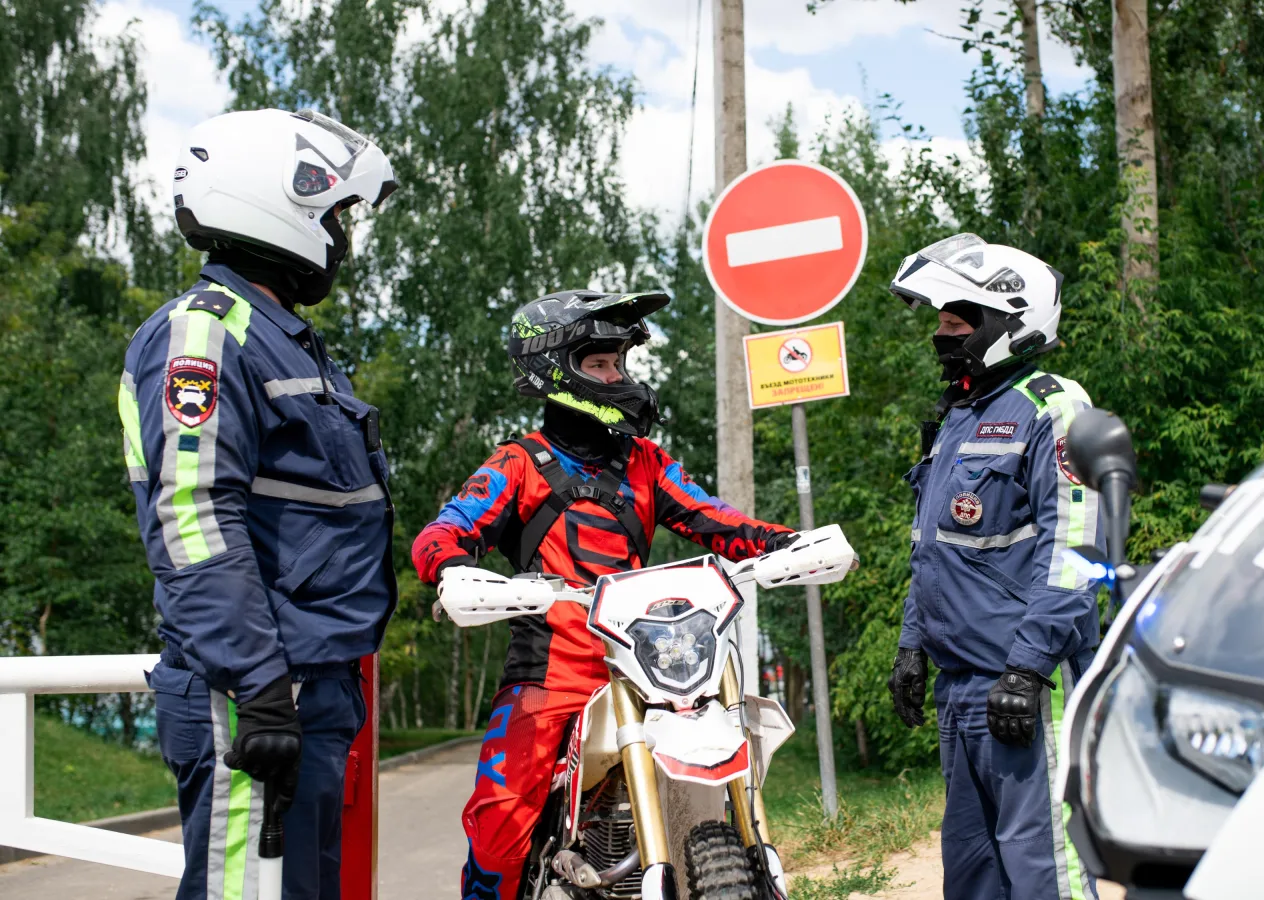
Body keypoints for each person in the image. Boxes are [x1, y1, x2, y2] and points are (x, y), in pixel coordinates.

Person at [409, 290, 798, 900]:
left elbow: (718, 520)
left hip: (646, 667)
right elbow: (444, 531)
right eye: (599, 364)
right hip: (550, 674)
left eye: (619, 363)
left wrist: (788, 544)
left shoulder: (647, 463)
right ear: (556, 370)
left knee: (724, 763)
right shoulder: (518, 463)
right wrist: (454, 570)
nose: (617, 377)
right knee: (499, 818)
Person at [120, 108, 400, 899]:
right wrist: (260, 688)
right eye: (335, 216)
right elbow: (193, 518)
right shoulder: (207, 335)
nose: (341, 238)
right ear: (280, 201)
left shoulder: (279, 337)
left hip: (305, 689)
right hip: (254, 695)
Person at [885, 233, 1105, 900]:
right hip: (960, 690)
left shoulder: (1053, 407)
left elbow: (1076, 551)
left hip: (1027, 683)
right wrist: (912, 645)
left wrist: (1029, 667)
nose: (942, 335)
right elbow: (933, 549)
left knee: (1046, 873)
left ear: (1010, 322)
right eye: (941, 322)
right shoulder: (957, 416)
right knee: (973, 875)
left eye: (958, 322)